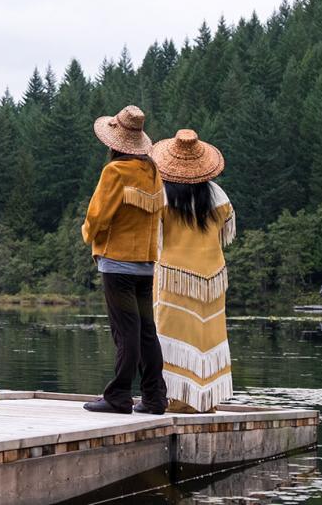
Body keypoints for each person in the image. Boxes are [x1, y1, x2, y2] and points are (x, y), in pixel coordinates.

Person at [81, 105, 168, 415]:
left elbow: (98, 216)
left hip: (117, 262)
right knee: (146, 331)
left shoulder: (114, 171)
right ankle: (155, 397)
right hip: (146, 265)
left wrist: (88, 234)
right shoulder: (153, 171)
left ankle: (118, 397)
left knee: (125, 331)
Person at [150, 129, 235, 413]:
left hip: (174, 276)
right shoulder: (217, 195)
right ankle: (206, 400)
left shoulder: (161, 193)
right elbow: (225, 228)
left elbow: (155, 232)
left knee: (170, 337)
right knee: (207, 336)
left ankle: (177, 398)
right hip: (212, 275)